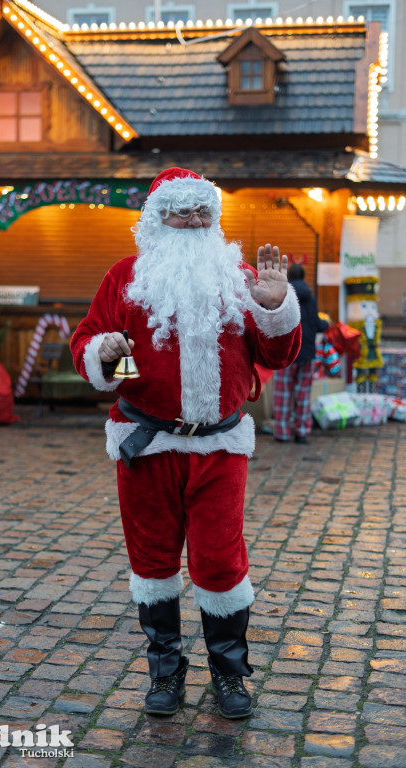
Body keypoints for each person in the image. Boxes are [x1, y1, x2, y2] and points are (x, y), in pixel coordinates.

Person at [70, 167, 301, 719]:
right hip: (146, 445)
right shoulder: (125, 277)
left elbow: (276, 357)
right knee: (152, 562)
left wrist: (273, 307)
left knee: (220, 561)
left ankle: (230, 674)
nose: (193, 221)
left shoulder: (240, 276)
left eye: (203, 211)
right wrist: (106, 352)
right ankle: (166, 672)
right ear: (156, 219)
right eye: (181, 211)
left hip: (219, 449)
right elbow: (91, 343)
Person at [272, 263, 328, 443]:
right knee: (303, 394)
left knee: (283, 394)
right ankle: (302, 432)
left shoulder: (284, 297)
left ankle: (282, 433)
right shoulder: (311, 299)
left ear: (288, 276)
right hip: (308, 353)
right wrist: (327, 325)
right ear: (303, 276)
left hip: (286, 353)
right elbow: (318, 324)